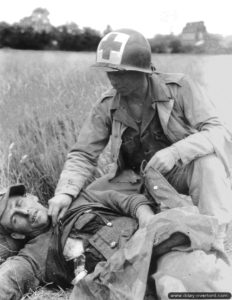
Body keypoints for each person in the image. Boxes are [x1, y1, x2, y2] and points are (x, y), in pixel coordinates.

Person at [48, 29, 232, 248]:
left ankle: (218, 240)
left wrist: (175, 152)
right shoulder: (106, 106)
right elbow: (83, 154)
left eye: (121, 72)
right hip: (134, 181)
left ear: (143, 70)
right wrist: (64, 193)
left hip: (176, 174)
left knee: (208, 164)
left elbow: (219, 132)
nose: (114, 79)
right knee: (79, 199)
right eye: (109, 72)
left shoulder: (180, 89)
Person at [0, 183, 231, 300]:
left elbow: (128, 200)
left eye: (20, 204)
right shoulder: (33, 256)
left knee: (194, 277)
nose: (25, 213)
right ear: (17, 235)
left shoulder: (79, 197)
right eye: (15, 219)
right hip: (120, 285)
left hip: (153, 248)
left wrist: (148, 223)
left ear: (31, 197)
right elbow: (6, 280)